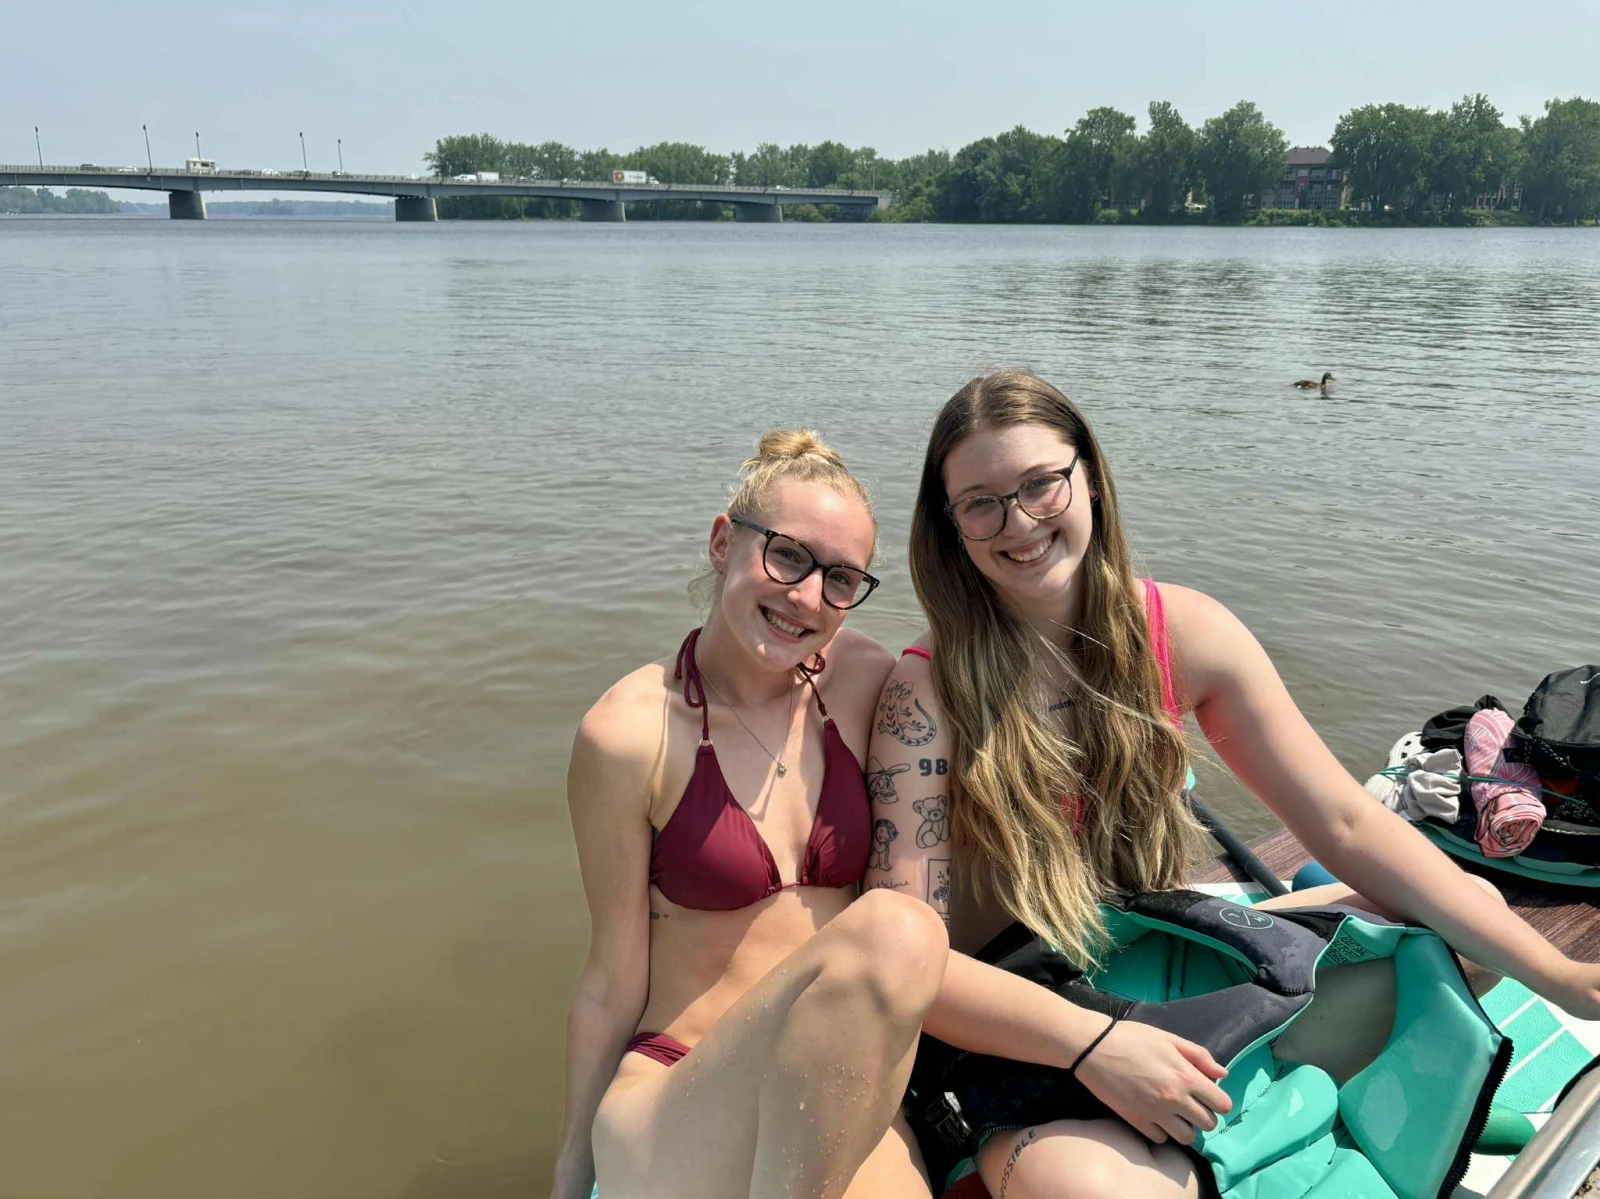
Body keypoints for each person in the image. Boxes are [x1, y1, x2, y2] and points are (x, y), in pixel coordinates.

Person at [867, 370, 1600, 1199]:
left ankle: (1254, 1096)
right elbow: (914, 965)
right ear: (950, 525)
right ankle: (1267, 1102)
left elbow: (1346, 823)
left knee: (1480, 935)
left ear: (1091, 479)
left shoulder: (1183, 631)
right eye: (982, 502)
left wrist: (1564, 975)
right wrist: (1092, 1046)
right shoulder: (924, 698)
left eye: (1041, 483)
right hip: (1020, 1011)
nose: (1020, 522)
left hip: (1152, 947)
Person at [553, 430, 948, 1199]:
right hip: (678, 1087)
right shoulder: (629, 733)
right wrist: (570, 1173)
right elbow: (609, 977)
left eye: (840, 578)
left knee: (904, 935)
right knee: (897, 931)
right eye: (788, 555)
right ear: (722, 541)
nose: (806, 597)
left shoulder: (868, 682)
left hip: (834, 1077)